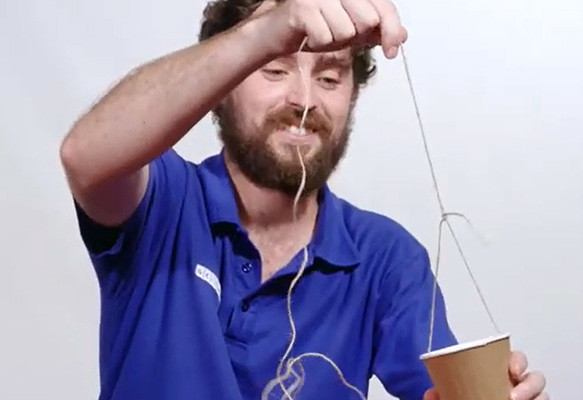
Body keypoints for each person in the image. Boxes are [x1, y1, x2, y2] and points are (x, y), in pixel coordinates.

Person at [59, 0, 548, 399]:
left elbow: (451, 389)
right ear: (221, 88)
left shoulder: (386, 258)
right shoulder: (163, 203)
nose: (305, 100)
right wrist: (267, 30)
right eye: (273, 69)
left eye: (330, 78)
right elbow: (85, 155)